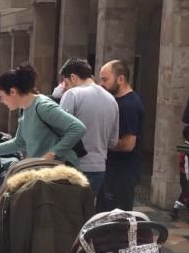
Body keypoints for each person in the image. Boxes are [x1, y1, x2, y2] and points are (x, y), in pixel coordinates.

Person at [0, 64, 86, 166]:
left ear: (13, 92)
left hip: (57, 174)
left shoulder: (43, 106)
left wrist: (51, 155)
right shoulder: (24, 109)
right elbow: (18, 143)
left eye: (1, 96)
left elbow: (78, 128)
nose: (1, 101)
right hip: (42, 172)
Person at [58, 58, 120, 195]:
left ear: (73, 77)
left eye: (66, 83)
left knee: (68, 213)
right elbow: (113, 142)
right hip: (99, 169)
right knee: (88, 212)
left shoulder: (72, 95)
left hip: (74, 167)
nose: (65, 87)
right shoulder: (111, 99)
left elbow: (60, 132)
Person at [98, 60, 145, 212]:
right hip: (113, 168)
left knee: (117, 217)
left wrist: (100, 143)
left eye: (105, 79)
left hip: (123, 171)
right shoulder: (115, 101)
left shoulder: (129, 105)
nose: (101, 84)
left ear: (121, 79)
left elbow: (128, 144)